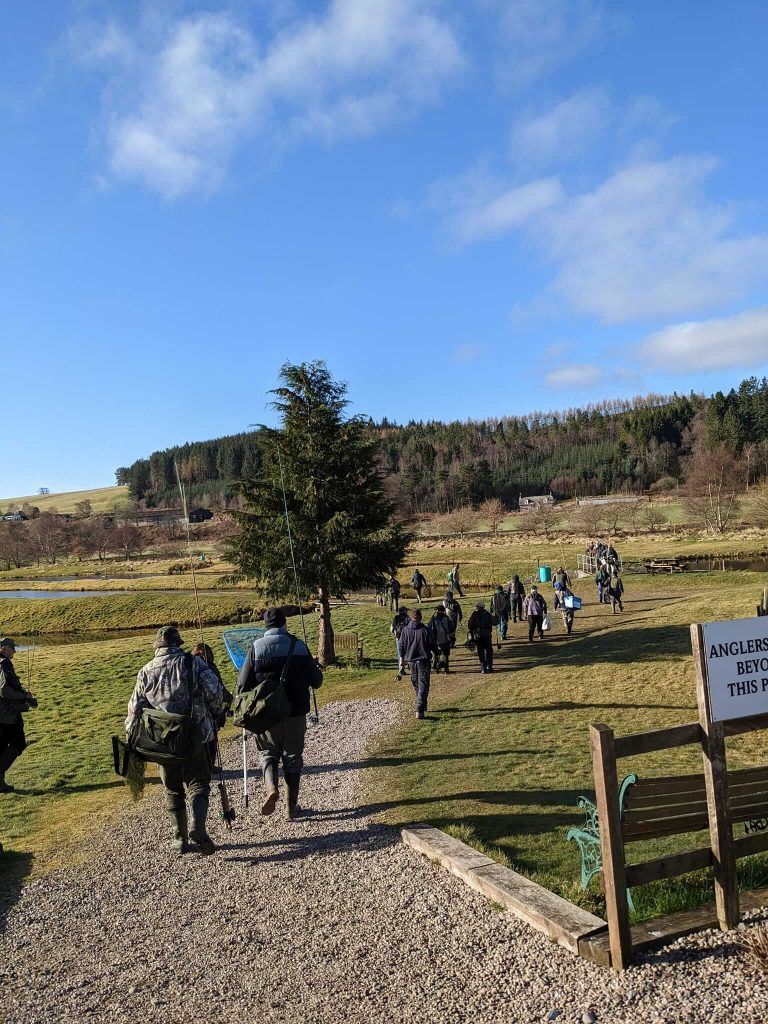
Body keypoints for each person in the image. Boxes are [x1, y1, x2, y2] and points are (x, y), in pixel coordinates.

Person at [126, 626, 224, 854]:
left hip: (162, 742)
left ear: (158, 646)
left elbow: (134, 709)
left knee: (172, 789)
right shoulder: (194, 663)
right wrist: (217, 711)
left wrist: (132, 739)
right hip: (195, 735)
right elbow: (215, 692)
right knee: (198, 782)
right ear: (177, 644)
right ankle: (196, 826)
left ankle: (180, 840)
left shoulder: (145, 671)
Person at [237, 607, 323, 819]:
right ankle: (290, 808)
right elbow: (317, 681)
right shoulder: (299, 646)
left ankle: (271, 789)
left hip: (266, 715)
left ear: (266, 627)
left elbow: (241, 686)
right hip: (295, 712)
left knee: (267, 753)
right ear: (285, 624)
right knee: (293, 758)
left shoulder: (256, 649)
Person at [0, 638, 37, 794]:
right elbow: (4, 691)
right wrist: (24, 696)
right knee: (19, 743)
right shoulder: (3, 664)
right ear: (3, 648)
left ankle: (0, 785)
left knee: (1, 749)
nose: (15, 651)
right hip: (7, 715)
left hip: (5, 714)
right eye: (12, 648)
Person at [191, 642, 233, 762]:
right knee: (211, 738)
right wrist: (229, 698)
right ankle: (210, 764)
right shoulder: (210, 667)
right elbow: (219, 690)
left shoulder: (188, 665)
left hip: (190, 710)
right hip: (207, 710)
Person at [399, 609, 435, 719]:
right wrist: (437, 654)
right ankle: (419, 707)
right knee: (423, 684)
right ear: (420, 617)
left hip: (411, 661)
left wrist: (402, 660)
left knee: (416, 683)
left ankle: (422, 704)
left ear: (411, 618)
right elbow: (433, 644)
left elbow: (401, 646)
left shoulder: (405, 630)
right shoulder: (426, 630)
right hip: (423, 661)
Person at [468, 600, 496, 673]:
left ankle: (483, 668)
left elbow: (470, 626)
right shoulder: (488, 614)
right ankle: (489, 667)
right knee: (489, 650)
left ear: (478, 607)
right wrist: (496, 615)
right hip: (487, 634)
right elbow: (495, 623)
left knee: (480, 651)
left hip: (478, 635)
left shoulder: (474, 614)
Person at [428, 605, 453, 673]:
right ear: (443, 610)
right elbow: (451, 628)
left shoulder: (433, 619)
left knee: (436, 654)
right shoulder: (446, 618)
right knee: (446, 655)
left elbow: (430, 629)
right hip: (446, 639)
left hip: (436, 641)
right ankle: (446, 669)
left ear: (437, 610)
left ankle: (436, 667)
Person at [390, 606, 410, 678]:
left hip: (398, 637)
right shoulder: (408, 618)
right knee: (408, 651)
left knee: (400, 653)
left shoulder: (395, 618)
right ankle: (410, 665)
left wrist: (395, 634)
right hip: (407, 638)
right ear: (405, 611)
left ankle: (401, 669)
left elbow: (391, 629)